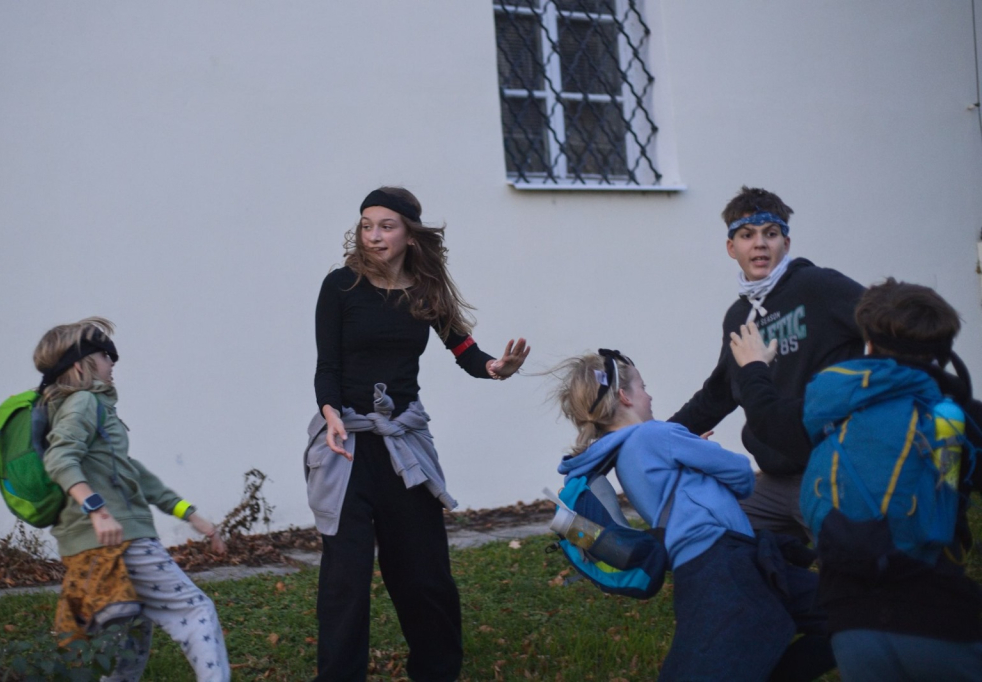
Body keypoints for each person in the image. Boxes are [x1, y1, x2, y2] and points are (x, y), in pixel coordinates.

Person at [306, 187, 530, 682]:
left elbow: (464, 349)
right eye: (366, 225)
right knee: (346, 581)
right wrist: (330, 412)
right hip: (346, 445)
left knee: (424, 575)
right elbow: (327, 366)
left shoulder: (427, 289)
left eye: (385, 226)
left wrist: (495, 367)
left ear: (410, 234)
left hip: (404, 446)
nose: (373, 235)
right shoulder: (340, 286)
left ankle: (436, 671)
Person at [730, 280, 982, 681]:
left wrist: (754, 367)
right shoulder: (959, 415)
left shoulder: (828, 409)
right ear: (942, 346)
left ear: (867, 342)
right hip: (943, 619)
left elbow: (767, 417)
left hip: (853, 628)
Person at [554, 349, 833, 682]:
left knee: (843, 610)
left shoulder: (621, 455)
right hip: (723, 563)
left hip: (712, 565)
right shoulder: (655, 434)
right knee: (845, 614)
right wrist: (703, 451)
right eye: (643, 387)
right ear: (625, 397)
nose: (649, 396)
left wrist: (692, 460)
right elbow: (741, 475)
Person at [36, 317, 230, 682]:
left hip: (98, 543)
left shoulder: (81, 408)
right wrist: (98, 510)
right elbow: (59, 459)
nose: (113, 363)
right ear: (80, 365)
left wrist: (190, 515)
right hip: (121, 539)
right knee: (196, 611)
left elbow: (133, 473)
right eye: (105, 355)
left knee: (133, 635)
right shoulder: (83, 403)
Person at [669, 186, 864, 541]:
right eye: (747, 235)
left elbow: (889, 323)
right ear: (731, 248)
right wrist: (658, 436)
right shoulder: (739, 317)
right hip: (773, 480)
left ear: (785, 243)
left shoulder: (818, 287)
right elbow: (718, 394)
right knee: (712, 535)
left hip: (831, 470)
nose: (759, 244)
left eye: (770, 234)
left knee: (852, 564)